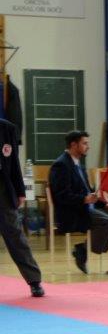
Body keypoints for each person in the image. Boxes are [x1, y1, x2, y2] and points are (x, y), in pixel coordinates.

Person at [49, 130, 108, 273]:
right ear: (74, 145)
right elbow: (61, 196)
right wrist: (84, 199)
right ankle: (83, 251)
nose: (88, 147)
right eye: (84, 143)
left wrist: (106, 205)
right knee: (107, 221)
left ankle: (83, 249)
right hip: (72, 212)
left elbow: (89, 192)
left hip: (86, 208)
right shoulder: (61, 165)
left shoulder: (79, 165)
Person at [0, 115, 42, 296]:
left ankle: (34, 280)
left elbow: (14, 163)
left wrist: (20, 191)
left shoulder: (7, 128)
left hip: (3, 188)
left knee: (15, 234)